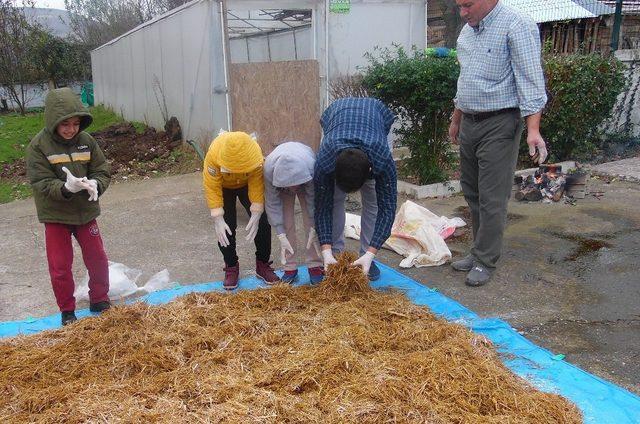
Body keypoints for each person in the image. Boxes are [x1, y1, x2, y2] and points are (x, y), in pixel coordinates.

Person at [448, 0, 548, 286]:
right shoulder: (467, 32)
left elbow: (530, 80)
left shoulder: (517, 24)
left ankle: (485, 260)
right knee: (472, 191)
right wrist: (456, 118)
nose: (463, 13)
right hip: (469, 120)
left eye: (467, 5)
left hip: (500, 121)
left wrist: (533, 129)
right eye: (459, 6)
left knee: (492, 196)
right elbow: (465, 80)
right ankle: (479, 250)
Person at [25, 87, 112, 326]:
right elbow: (40, 182)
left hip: (85, 213)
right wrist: (65, 188)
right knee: (61, 266)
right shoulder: (38, 146)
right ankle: (67, 310)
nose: (71, 129)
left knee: (97, 258)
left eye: (75, 123)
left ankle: (100, 299)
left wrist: (96, 183)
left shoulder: (87, 141)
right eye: (65, 124)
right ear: (53, 121)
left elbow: (101, 169)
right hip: (56, 216)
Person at [314, 97, 397, 280]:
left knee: (373, 200)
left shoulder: (382, 159)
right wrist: (325, 250)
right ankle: (334, 255)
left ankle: (366, 256)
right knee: (334, 200)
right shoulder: (325, 159)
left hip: (377, 120)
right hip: (336, 118)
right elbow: (322, 208)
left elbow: (387, 209)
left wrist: (371, 252)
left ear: (369, 170)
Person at [203, 130, 279, 290]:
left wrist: (257, 211)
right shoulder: (213, 155)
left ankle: (262, 264)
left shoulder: (254, 154)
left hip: (246, 185)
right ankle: (231, 266)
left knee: (263, 222)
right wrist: (217, 217)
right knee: (226, 227)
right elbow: (212, 186)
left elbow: (257, 182)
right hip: (224, 187)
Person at [264, 141, 324, 284]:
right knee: (286, 221)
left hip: (305, 179)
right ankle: (289, 267)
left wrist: (315, 226)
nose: (294, 189)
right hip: (281, 183)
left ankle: (315, 264)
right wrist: (280, 233)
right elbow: (272, 203)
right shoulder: (269, 170)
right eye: (291, 186)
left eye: (295, 186)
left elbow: (313, 201)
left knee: (310, 222)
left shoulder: (312, 167)